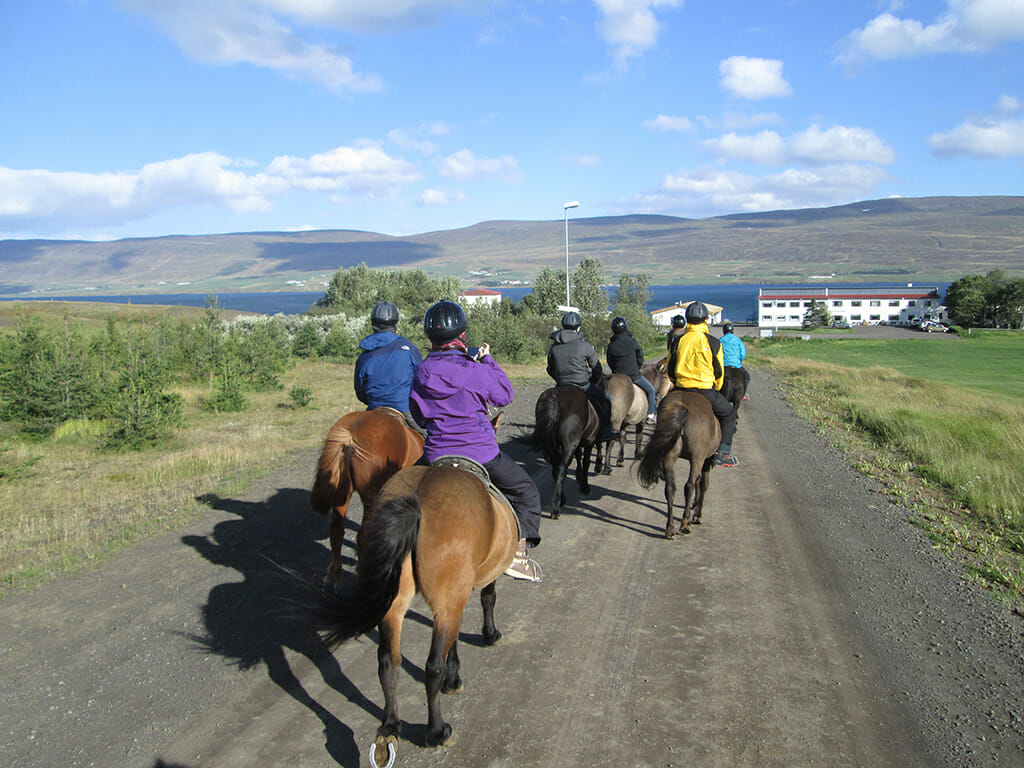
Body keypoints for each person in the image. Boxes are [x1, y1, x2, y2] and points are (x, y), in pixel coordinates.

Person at [410, 300, 543, 583]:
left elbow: (419, 416)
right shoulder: (476, 370)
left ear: (430, 337)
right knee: (526, 492)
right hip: (481, 454)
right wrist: (487, 360)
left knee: (400, 495)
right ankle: (518, 557)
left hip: (436, 456)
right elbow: (505, 395)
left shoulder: (422, 372)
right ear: (462, 335)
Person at [669, 301, 739, 468]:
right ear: (706, 319)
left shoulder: (678, 341)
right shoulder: (713, 342)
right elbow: (719, 371)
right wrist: (717, 386)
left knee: (662, 411)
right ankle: (723, 453)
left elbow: (671, 369)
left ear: (688, 319)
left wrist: (676, 382)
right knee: (729, 414)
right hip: (705, 390)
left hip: (681, 388)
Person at [354, 301, 424, 434]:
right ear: (395, 324)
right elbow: (421, 380)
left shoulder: (364, 356)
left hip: (375, 408)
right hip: (405, 408)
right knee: (431, 438)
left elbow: (360, 392)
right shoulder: (409, 349)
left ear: (373, 323)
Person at [546, 311, 617, 440]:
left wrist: (559, 379)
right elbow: (596, 368)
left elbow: (550, 368)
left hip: (561, 385)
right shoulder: (585, 346)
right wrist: (594, 381)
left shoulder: (554, 347)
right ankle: (605, 431)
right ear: (578, 327)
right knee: (606, 399)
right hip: (582, 385)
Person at [606, 316, 657, 424]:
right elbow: (640, 357)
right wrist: (637, 368)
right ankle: (651, 414)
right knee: (651, 390)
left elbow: (609, 361)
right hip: (634, 376)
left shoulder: (612, 344)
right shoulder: (632, 341)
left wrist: (616, 371)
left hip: (618, 376)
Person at [720, 321, 750, 398]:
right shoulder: (738, 340)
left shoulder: (720, 340)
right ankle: (743, 394)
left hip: (723, 365)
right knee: (747, 377)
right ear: (732, 330)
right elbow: (743, 354)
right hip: (736, 365)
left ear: (724, 331)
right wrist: (738, 361)